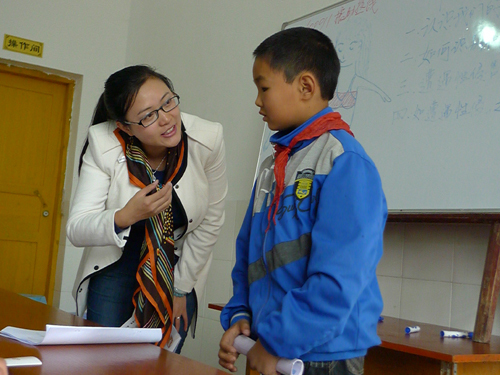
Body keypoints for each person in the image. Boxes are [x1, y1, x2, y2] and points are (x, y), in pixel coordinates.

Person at [218, 27, 387, 375]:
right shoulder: (271, 166)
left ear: (306, 86)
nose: (257, 101)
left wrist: (277, 341)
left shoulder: (344, 162)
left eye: (263, 87)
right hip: (271, 342)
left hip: (324, 351)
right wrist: (240, 316)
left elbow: (338, 279)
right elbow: (248, 253)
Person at [66, 65, 227, 353]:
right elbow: (77, 228)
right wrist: (128, 215)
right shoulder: (104, 143)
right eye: (148, 116)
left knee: (159, 360)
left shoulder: (207, 139)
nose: (167, 119)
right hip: (116, 263)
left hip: (178, 268)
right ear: (124, 126)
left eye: (168, 102)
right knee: (102, 360)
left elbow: (211, 221)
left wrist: (181, 288)